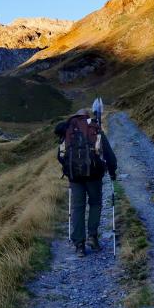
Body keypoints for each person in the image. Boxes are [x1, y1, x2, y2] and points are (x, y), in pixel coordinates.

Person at [56, 109, 117, 257]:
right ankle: (92, 237)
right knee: (95, 204)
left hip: (75, 177)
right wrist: (112, 171)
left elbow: (60, 155)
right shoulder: (95, 129)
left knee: (78, 208)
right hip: (94, 175)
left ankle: (79, 245)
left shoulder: (68, 130)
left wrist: (69, 170)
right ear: (87, 117)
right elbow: (108, 154)